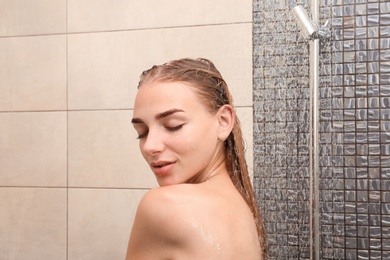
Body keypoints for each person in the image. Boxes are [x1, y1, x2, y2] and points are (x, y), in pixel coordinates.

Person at [126, 58, 268, 259]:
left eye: (173, 125)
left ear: (223, 121)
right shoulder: (242, 209)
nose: (150, 146)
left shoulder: (163, 205)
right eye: (142, 132)